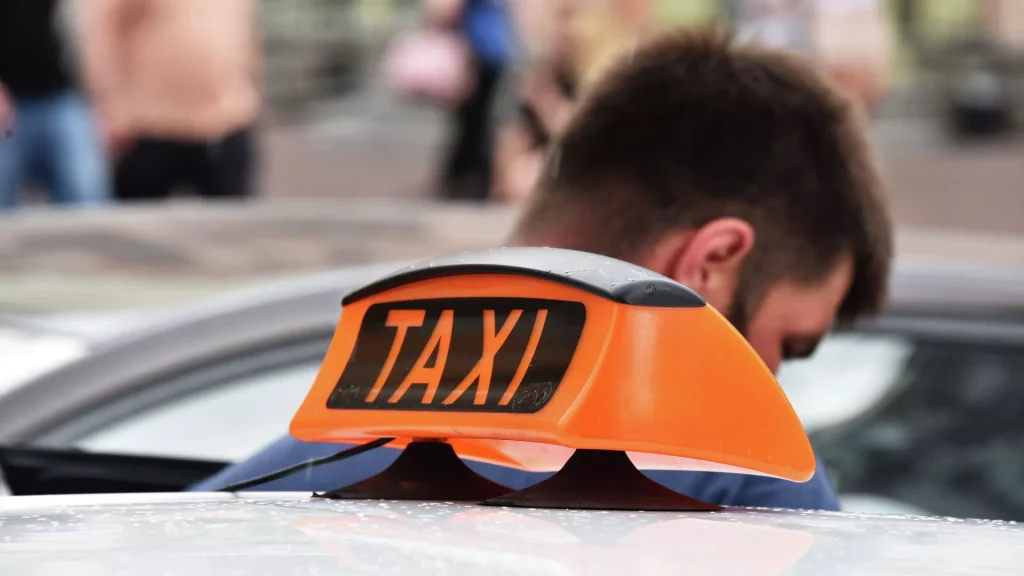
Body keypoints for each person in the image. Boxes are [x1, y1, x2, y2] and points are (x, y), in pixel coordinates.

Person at [191, 27, 893, 511]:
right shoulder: (747, 488)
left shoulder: (270, 483)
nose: (773, 379)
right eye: (789, 345)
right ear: (710, 263)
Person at [80, 0, 261, 201]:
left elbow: (240, 32)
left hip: (226, 124)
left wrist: (248, 96)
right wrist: (112, 107)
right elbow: (104, 34)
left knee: (233, 216)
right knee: (141, 215)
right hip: (150, 127)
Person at [0, 0, 111, 210]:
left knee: (87, 189)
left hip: (58, 96)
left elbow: (82, 32)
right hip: (8, 106)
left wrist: (100, 106)